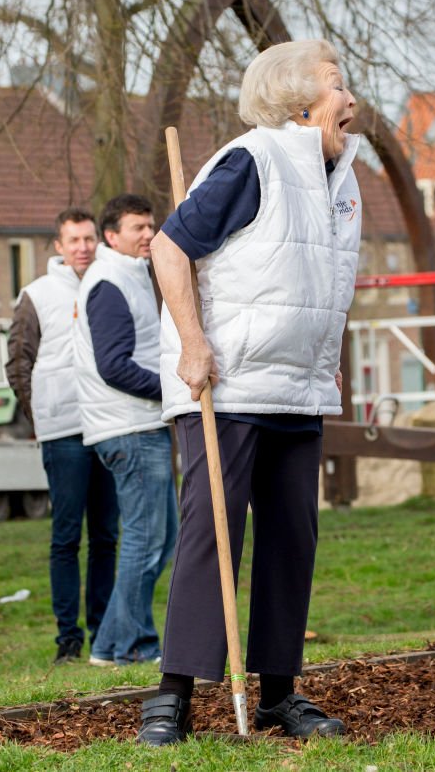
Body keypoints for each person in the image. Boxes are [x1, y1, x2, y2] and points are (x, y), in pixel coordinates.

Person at [135, 39, 360, 745]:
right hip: (228, 385)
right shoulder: (253, 159)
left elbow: (316, 285)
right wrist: (194, 344)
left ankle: (278, 694)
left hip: (298, 387)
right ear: (299, 102)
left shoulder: (341, 179)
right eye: (335, 84)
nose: (349, 98)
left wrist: (327, 359)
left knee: (294, 537)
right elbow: (170, 248)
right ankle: (172, 695)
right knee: (214, 531)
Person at [5, 208, 119, 664]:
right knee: (66, 536)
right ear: (58, 245)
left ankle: (105, 633)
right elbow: (18, 362)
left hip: (108, 425)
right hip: (63, 433)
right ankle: (68, 640)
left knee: (108, 535)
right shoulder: (37, 295)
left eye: (89, 238)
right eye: (73, 240)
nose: (83, 247)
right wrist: (41, 417)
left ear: (100, 240)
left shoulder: (113, 283)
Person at [73, 194, 178, 667]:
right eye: (137, 227)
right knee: (146, 539)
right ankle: (135, 647)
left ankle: (109, 646)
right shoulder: (110, 281)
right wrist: (172, 387)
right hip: (128, 427)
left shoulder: (131, 276)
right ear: (111, 236)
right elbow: (113, 366)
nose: (148, 234)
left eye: (151, 225)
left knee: (163, 538)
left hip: (138, 424)